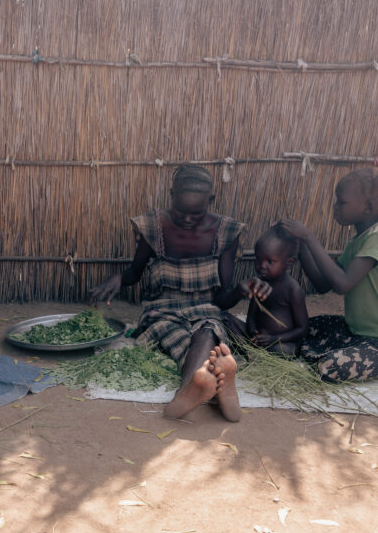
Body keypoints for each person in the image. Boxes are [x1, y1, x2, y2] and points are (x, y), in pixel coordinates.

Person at [89, 164, 270, 421]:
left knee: (208, 328)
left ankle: (191, 389)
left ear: (212, 200)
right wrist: (119, 279)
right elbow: (135, 273)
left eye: (196, 214)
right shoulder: (153, 226)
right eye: (181, 212)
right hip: (161, 310)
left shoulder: (226, 233)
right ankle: (214, 383)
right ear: (172, 195)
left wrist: (241, 290)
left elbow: (221, 299)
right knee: (174, 333)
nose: (187, 220)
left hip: (206, 308)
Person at [278, 167, 378, 382]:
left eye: (341, 202)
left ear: (368, 207)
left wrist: (308, 237)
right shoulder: (358, 240)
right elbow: (325, 284)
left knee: (332, 366)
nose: (335, 207)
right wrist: (301, 247)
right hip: (357, 334)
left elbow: (343, 284)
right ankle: (317, 353)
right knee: (304, 327)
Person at [234, 225, 308, 357]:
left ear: (289, 263)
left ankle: (252, 353)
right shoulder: (259, 284)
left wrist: (274, 339)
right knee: (227, 320)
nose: (262, 265)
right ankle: (250, 350)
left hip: (281, 342)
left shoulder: (293, 290)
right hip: (258, 340)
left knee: (282, 351)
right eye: (258, 258)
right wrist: (253, 332)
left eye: (270, 261)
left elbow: (302, 329)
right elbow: (251, 316)